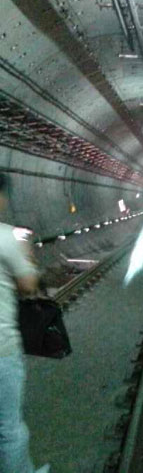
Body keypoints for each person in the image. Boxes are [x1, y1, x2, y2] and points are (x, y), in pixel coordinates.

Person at [0, 173, 50, 473]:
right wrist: (28, 256)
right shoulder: (6, 236)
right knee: (9, 427)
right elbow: (29, 286)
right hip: (2, 350)